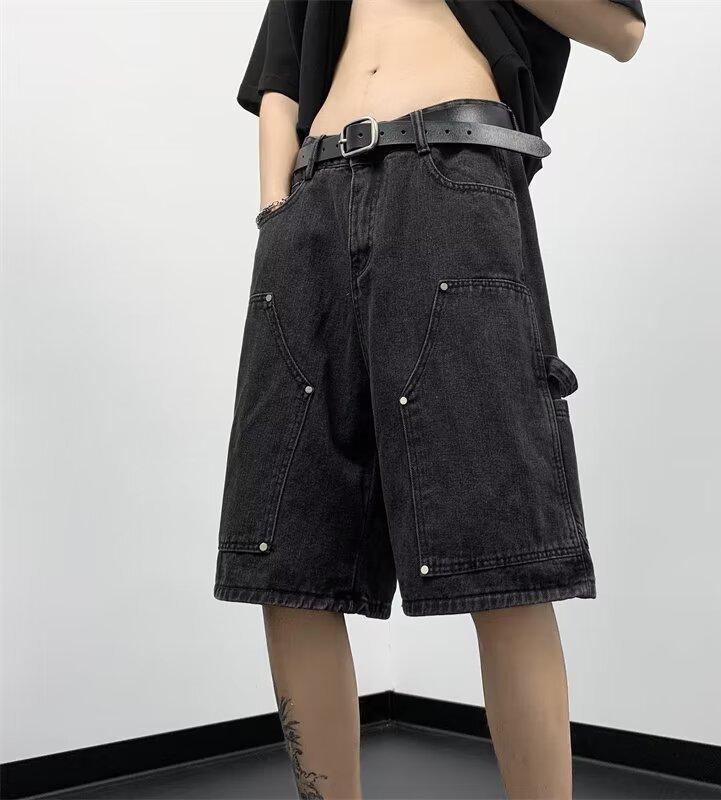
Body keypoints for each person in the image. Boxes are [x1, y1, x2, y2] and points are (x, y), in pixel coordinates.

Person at [215, 1, 645, 797]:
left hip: (451, 170)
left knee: (502, 556)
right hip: (314, 194)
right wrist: (278, 211)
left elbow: (621, 30)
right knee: (288, 553)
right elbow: (280, 79)